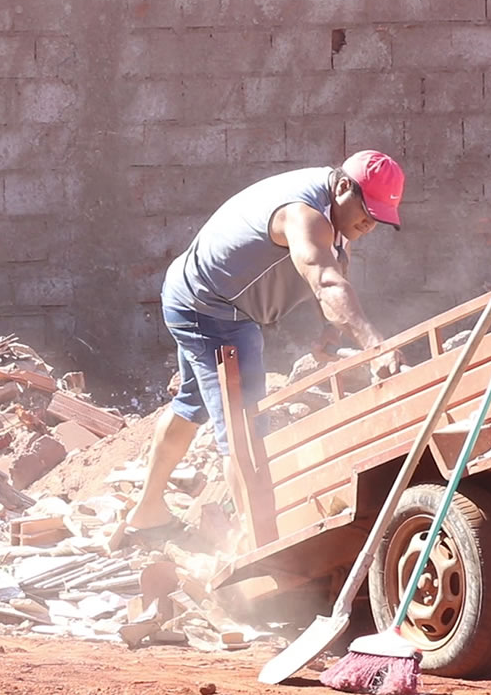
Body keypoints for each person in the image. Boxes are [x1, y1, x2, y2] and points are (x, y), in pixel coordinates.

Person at [125, 150, 406, 536]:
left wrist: (333, 332)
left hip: (191, 291)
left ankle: (148, 511)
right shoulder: (302, 214)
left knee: (192, 404)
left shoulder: (334, 207)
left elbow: (335, 262)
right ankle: (258, 550)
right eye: (367, 211)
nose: (370, 224)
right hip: (213, 312)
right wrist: (376, 346)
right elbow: (325, 281)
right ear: (344, 186)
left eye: (379, 218)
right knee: (245, 434)